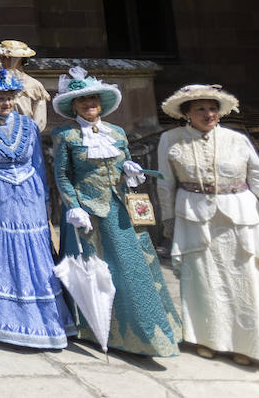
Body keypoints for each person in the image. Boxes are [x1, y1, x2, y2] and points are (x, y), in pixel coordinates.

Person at [156, 84, 259, 364]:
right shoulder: (171, 139)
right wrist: (169, 221)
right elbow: (164, 184)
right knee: (203, 281)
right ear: (187, 113)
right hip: (195, 219)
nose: (209, 114)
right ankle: (206, 339)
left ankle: (247, 345)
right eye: (200, 109)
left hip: (240, 218)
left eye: (213, 108)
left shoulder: (238, 139)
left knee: (244, 281)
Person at [51, 65, 181, 357]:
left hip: (118, 208)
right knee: (90, 270)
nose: (89, 106)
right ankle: (93, 328)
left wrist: (129, 170)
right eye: (83, 102)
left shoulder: (117, 132)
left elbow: (122, 165)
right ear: (74, 106)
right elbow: (62, 175)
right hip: (86, 211)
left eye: (94, 101)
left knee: (129, 265)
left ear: (101, 105)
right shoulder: (67, 136)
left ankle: (143, 331)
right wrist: (73, 206)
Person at [0, 67, 70, 349]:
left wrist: (46, 200)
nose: (6, 103)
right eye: (0, 98)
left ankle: (45, 319)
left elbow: (38, 165)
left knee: (35, 251)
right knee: (1, 251)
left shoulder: (28, 126)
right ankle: (5, 318)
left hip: (28, 197)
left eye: (10, 97)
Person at [0, 40, 50, 131]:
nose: (2, 60)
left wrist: (29, 136)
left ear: (19, 59)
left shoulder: (34, 85)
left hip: (25, 134)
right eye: (1, 57)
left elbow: (39, 119)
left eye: (7, 57)